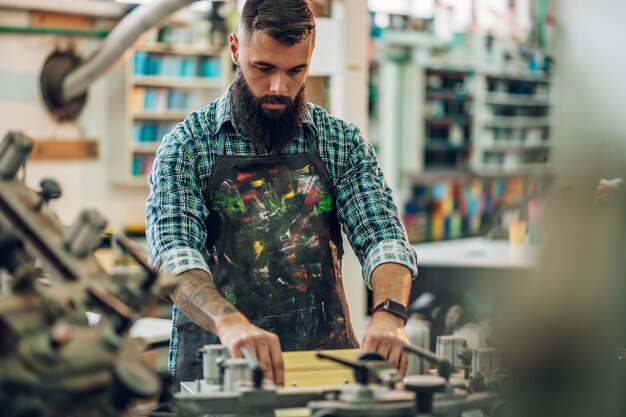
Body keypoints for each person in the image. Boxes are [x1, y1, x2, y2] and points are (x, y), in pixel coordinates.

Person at [146, 0, 418, 388]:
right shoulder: (188, 146)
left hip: (324, 372)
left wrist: (389, 314)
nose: (279, 88)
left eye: (296, 71)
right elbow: (173, 256)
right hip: (217, 376)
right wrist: (229, 323)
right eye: (264, 68)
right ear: (236, 50)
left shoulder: (340, 142)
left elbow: (384, 236)